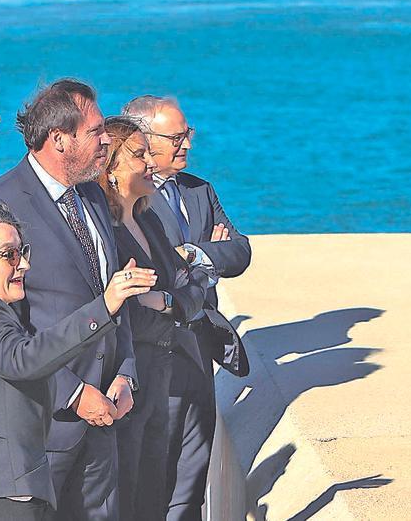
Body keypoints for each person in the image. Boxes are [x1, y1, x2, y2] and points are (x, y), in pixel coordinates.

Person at [0, 205, 156, 520]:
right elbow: (25, 358)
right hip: (3, 496)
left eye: (23, 252)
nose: (24, 264)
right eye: (8, 255)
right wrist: (103, 307)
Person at [0, 79, 138, 521]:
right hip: (45, 426)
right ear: (59, 139)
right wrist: (72, 393)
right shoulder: (1, 203)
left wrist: (126, 373)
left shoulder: (92, 194)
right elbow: (3, 325)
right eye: (95, 131)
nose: (107, 140)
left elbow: (112, 293)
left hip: (106, 414)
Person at [122, 95, 252, 521]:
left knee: (194, 471)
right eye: (176, 137)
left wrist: (194, 253)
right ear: (143, 139)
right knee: (158, 470)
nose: (187, 145)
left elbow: (239, 252)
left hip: (201, 346)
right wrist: (206, 259)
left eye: (187, 134)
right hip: (159, 348)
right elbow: (159, 275)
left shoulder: (199, 190)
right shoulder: (133, 201)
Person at [96, 117, 210, 521]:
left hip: (162, 370)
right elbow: (120, 310)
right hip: (128, 375)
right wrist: (174, 302)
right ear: (110, 167)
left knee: (155, 491)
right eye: (139, 155)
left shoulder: (148, 220)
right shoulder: (104, 231)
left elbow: (193, 288)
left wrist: (161, 301)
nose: (150, 163)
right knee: (126, 491)